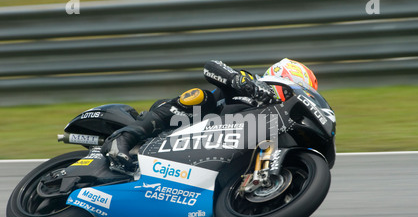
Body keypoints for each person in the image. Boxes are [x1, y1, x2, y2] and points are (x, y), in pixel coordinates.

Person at [101, 58, 318, 170]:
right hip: (184, 125)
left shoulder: (276, 121)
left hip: (210, 152)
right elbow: (211, 66)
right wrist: (240, 82)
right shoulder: (250, 82)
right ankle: (124, 137)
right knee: (199, 96)